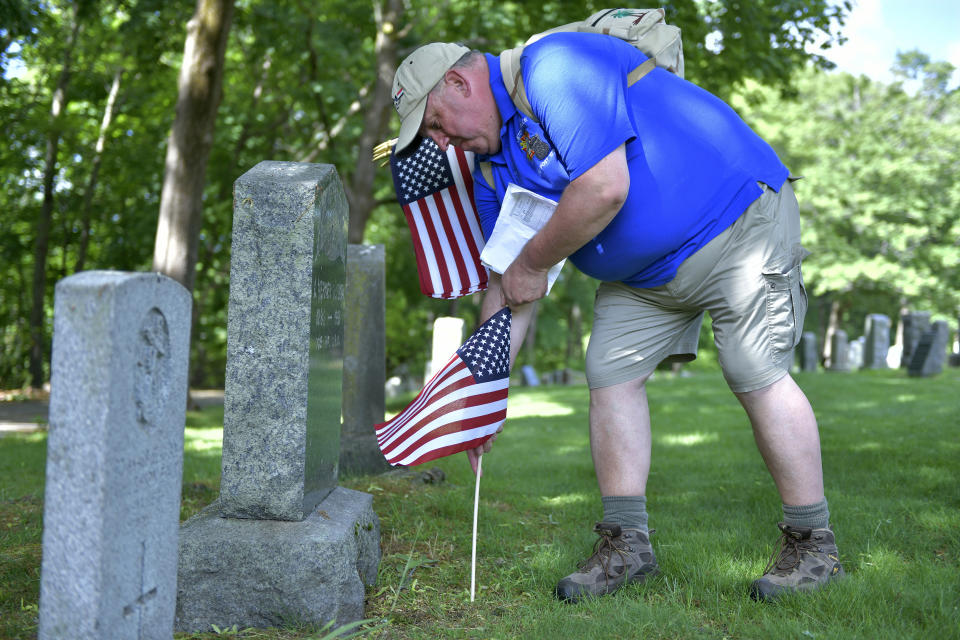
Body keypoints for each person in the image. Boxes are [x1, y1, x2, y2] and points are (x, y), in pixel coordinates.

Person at [390, 32, 844, 603]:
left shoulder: (555, 66)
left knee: (752, 369)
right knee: (608, 373)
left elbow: (604, 188)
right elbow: (511, 287)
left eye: (433, 123)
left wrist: (533, 259)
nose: (440, 141)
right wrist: (484, 393)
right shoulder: (489, 171)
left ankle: (813, 546)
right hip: (643, 278)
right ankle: (627, 547)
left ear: (458, 82)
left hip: (737, 222)